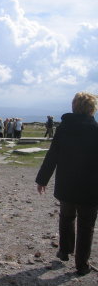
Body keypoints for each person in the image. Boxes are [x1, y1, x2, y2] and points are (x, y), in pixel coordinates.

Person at [35, 92, 98, 276]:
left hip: (67, 185)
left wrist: (42, 180)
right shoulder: (96, 129)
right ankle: (81, 265)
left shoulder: (64, 128)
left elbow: (52, 154)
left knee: (66, 217)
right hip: (91, 187)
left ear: (74, 106)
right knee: (86, 226)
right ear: (92, 109)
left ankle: (65, 251)